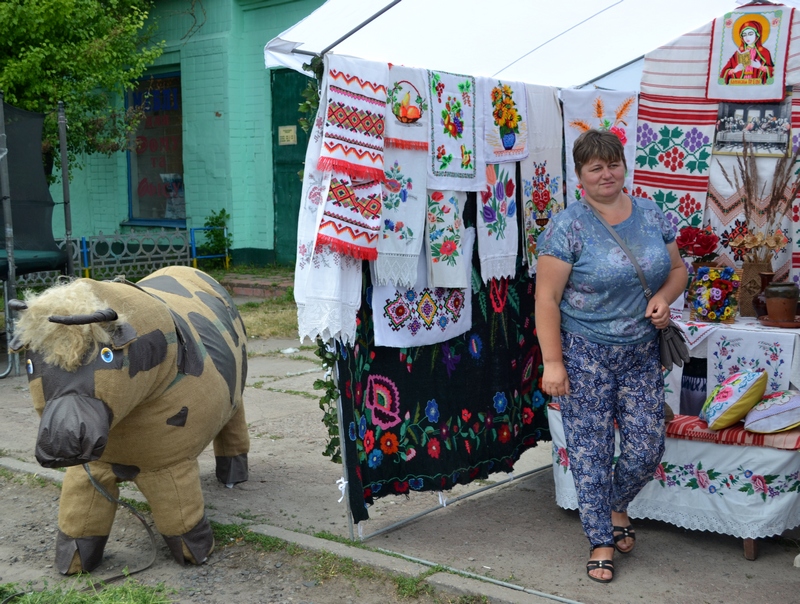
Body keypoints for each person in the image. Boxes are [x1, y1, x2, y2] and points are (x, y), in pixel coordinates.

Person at [535, 129, 688, 583]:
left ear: (625, 165)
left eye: (613, 164)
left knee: (647, 445)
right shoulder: (567, 227)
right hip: (584, 353)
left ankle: (616, 504)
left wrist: (663, 297)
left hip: (641, 352)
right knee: (590, 451)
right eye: (595, 167)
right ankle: (600, 537)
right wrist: (553, 362)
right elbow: (547, 299)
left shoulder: (651, 214)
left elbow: (678, 269)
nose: (607, 174)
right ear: (580, 175)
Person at [720, 20, 774, 85]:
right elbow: (725, 71)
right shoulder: (738, 53)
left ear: (757, 35)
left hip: (757, 83)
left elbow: (774, 72)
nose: (747, 37)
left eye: (750, 34)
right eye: (744, 35)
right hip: (740, 83)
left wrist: (760, 67)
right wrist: (735, 70)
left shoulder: (764, 52)